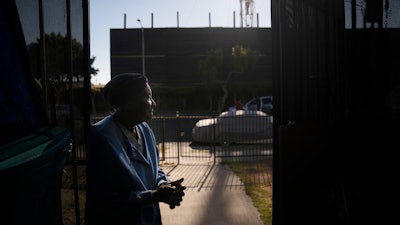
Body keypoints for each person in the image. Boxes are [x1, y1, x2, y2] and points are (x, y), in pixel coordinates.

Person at [85, 73, 186, 225]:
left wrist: (162, 184)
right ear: (127, 103)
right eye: (147, 97)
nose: (153, 104)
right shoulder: (101, 137)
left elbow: (154, 169)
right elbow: (101, 197)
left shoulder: (145, 129)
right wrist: (152, 196)